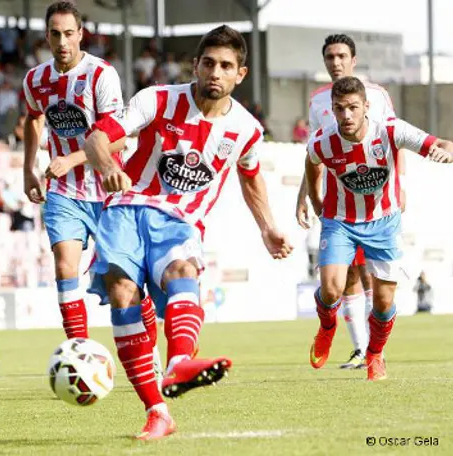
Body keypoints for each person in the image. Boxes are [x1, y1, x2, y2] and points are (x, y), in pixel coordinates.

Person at [83, 25, 293, 440]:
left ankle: (179, 363)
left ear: (241, 74)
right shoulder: (156, 99)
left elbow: (250, 178)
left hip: (179, 220)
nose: (216, 72)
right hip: (126, 209)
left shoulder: (247, 129)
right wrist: (108, 168)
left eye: (226, 66)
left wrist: (268, 228)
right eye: (209, 63)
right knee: (123, 293)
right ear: (195, 65)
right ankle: (157, 411)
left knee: (182, 270)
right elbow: (95, 139)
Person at [22, 1, 159, 346]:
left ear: (81, 34)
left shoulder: (100, 75)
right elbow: (33, 118)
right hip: (64, 194)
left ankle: (149, 352)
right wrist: (28, 169)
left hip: (109, 192)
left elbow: (117, 139)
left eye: (69, 33)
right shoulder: (35, 79)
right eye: (56, 34)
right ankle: (79, 354)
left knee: (126, 284)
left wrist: (71, 160)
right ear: (47, 36)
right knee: (65, 269)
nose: (63, 42)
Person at [305, 76, 453, 381]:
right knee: (331, 288)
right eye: (339, 108)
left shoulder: (390, 129)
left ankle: (374, 354)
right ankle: (327, 328)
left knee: (384, 303)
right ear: (332, 109)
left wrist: (446, 151)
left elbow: (438, 143)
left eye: (352, 108)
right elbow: (312, 162)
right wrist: (315, 199)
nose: (346, 115)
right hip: (340, 222)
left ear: (366, 107)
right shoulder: (323, 140)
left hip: (383, 222)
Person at [296, 34, 402, 369]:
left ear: (353, 60)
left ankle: (374, 352)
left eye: (342, 56)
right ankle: (360, 349)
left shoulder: (378, 96)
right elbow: (314, 153)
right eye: (330, 57)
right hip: (340, 202)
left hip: (377, 202)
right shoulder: (317, 102)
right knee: (347, 277)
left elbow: (393, 140)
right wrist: (305, 196)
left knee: (373, 276)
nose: (336, 62)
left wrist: (402, 186)